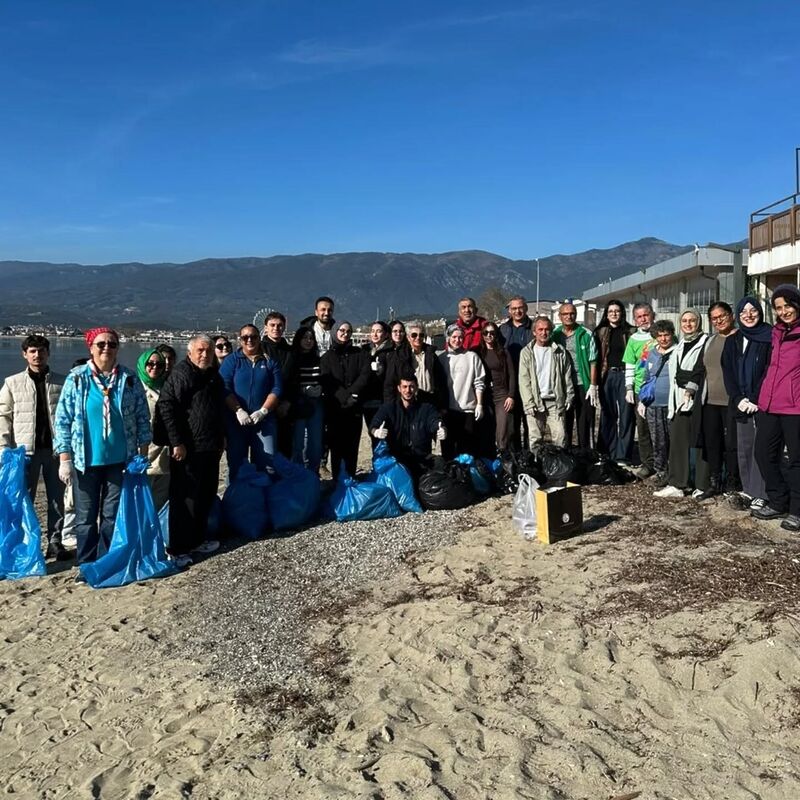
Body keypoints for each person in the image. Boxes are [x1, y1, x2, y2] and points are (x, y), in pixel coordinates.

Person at [54, 327, 151, 568]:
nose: (106, 348)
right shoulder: (77, 378)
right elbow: (63, 420)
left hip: (120, 460)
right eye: (101, 344)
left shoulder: (128, 379)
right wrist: (64, 458)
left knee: (111, 515)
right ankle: (86, 562)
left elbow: (142, 416)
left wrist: (143, 454)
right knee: (85, 518)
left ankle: (105, 560)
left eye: (112, 344)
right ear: (91, 347)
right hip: (86, 462)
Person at [153, 335, 224, 568]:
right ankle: (178, 547)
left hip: (210, 446)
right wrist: (176, 442)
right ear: (190, 353)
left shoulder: (212, 374)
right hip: (188, 447)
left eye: (209, 351)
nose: (205, 355)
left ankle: (197, 539)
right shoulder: (182, 373)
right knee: (184, 498)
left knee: (205, 494)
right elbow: (166, 405)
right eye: (200, 351)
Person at [0, 334, 69, 560]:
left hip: (55, 450)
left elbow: (70, 415)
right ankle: (26, 544)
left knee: (56, 499)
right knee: (23, 497)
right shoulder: (12, 383)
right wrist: (3, 446)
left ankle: (55, 542)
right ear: (25, 354)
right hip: (24, 451)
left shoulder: (62, 381)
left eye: (41, 351)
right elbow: (3, 415)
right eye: (32, 351)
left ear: (48, 353)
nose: (37, 355)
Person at [752, 284, 800, 531]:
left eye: (788, 305)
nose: (784, 311)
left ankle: (797, 510)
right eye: (779, 308)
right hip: (769, 405)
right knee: (763, 453)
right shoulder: (775, 333)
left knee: (796, 460)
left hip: (795, 407)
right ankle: (778, 499)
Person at [722, 296, 771, 511]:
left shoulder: (769, 337)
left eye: (753, 311)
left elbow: (769, 370)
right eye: (744, 312)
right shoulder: (733, 340)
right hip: (740, 403)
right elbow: (728, 372)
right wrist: (738, 398)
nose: (749, 315)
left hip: (762, 402)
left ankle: (761, 492)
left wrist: (755, 398)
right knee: (744, 446)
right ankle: (748, 489)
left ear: (760, 313)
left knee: (761, 449)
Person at [653, 310, 710, 499]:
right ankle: (677, 483)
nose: (688, 324)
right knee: (678, 441)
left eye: (692, 320)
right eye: (684, 321)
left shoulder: (706, 343)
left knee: (701, 442)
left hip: (699, 399)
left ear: (699, 322)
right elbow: (675, 376)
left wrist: (688, 382)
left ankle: (702, 484)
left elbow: (701, 370)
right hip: (678, 401)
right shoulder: (679, 346)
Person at [218, 324, 282, 481]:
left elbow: (277, 389)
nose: (249, 340)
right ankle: (235, 499)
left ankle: (265, 497)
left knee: (267, 463)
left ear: (259, 339)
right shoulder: (231, 361)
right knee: (236, 463)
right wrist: (238, 410)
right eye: (245, 337)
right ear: (240, 340)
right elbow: (224, 388)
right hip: (236, 422)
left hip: (264, 422)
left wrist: (263, 411)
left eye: (253, 337)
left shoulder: (269, 362)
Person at [694, 302, 740, 500]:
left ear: (731, 315)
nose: (719, 320)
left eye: (722, 316)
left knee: (732, 443)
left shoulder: (741, 338)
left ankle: (733, 481)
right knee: (712, 442)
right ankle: (715, 481)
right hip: (710, 399)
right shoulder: (710, 341)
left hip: (732, 400)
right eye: (714, 318)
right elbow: (701, 368)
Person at [370, 374, 446, 482]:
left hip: (421, 456)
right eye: (404, 387)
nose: (408, 390)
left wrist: (441, 429)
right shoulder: (389, 408)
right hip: (397, 459)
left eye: (411, 386)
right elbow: (375, 423)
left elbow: (434, 421)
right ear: (399, 388)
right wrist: (376, 431)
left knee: (440, 464)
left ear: (416, 388)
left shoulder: (426, 408)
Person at [320, 321, 370, 479]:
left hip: (354, 407)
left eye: (348, 331)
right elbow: (327, 381)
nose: (345, 333)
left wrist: (352, 393)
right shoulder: (327, 357)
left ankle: (351, 477)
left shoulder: (360, 354)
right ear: (335, 332)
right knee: (336, 446)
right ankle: (337, 479)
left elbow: (365, 374)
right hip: (335, 408)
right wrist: (344, 397)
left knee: (352, 445)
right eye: (341, 330)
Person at [518, 316, 574, 448]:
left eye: (547, 329)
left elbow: (567, 376)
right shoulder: (527, 352)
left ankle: (559, 466)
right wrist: (528, 403)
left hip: (555, 401)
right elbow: (524, 380)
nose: (544, 333)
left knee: (560, 437)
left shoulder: (559, 351)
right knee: (535, 438)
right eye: (540, 329)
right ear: (534, 332)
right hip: (535, 402)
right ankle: (536, 465)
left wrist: (569, 397)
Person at [552, 302, 599, 449]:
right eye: (565, 314)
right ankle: (566, 455)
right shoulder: (555, 335)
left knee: (584, 422)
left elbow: (593, 361)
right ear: (559, 316)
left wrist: (592, 385)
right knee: (565, 423)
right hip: (564, 385)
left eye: (571, 313)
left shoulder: (586, 334)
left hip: (582, 383)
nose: (568, 316)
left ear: (576, 315)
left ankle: (586, 454)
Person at [594, 299, 635, 463]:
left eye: (617, 311)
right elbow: (596, 358)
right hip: (607, 376)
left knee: (626, 415)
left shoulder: (631, 332)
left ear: (622, 313)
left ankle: (623, 454)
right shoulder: (600, 332)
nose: (614, 314)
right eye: (610, 311)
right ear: (606, 314)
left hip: (626, 375)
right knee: (607, 414)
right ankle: (606, 452)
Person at [636, 320, 676, 486]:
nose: (663, 339)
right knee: (657, 440)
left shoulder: (677, 351)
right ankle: (660, 472)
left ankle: (675, 472)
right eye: (660, 336)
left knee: (673, 439)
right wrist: (642, 400)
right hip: (653, 404)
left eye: (666, 335)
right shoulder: (651, 353)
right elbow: (646, 375)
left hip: (672, 404)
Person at [438, 324, 486, 458]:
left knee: (467, 451)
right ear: (448, 338)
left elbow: (479, 382)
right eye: (454, 337)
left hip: (467, 410)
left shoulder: (472, 357)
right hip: (448, 411)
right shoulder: (442, 359)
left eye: (460, 337)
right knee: (448, 450)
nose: (457, 340)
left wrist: (479, 404)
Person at [623, 303, 656, 474]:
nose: (643, 319)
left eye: (646, 315)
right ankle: (647, 463)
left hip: (659, 388)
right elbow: (630, 365)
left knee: (659, 429)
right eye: (639, 317)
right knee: (642, 429)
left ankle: (662, 463)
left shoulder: (662, 335)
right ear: (635, 321)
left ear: (652, 315)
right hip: (639, 390)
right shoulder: (633, 340)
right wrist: (629, 388)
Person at [383, 320, 446, 409]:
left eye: (421, 335)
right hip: (407, 403)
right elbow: (390, 384)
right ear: (408, 337)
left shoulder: (431, 355)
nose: (418, 338)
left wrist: (442, 405)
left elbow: (441, 381)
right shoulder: (399, 356)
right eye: (414, 335)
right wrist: (390, 408)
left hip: (430, 401)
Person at [136, 348, 170, 510]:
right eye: (150, 364)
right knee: (141, 500)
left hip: (165, 454)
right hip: (143, 453)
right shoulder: (134, 389)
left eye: (159, 364)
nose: (154, 367)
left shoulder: (168, 388)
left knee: (160, 500)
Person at [287, 325, 324, 474]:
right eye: (305, 338)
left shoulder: (319, 359)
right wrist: (302, 390)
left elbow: (325, 378)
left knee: (316, 441)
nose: (308, 341)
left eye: (311, 338)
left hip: (317, 402)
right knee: (298, 440)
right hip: (299, 403)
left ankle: (313, 472)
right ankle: (298, 472)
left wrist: (321, 388)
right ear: (298, 339)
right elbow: (288, 380)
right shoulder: (292, 358)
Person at [499, 295, 533, 449]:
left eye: (520, 308)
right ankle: (515, 458)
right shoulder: (503, 330)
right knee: (512, 425)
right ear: (509, 311)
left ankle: (530, 456)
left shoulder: (534, 328)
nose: (517, 311)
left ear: (525, 308)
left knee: (530, 424)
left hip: (530, 382)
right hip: (510, 384)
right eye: (514, 308)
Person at [477, 321, 516, 451]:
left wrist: (511, 395)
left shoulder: (503, 352)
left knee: (503, 428)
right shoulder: (477, 353)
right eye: (486, 333)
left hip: (502, 394)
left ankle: (503, 454)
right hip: (485, 395)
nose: (489, 336)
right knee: (486, 429)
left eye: (492, 333)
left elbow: (511, 374)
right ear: (482, 335)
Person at [261, 312, 294, 458]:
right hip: (264, 405)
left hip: (285, 406)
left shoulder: (290, 351)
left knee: (285, 447)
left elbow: (294, 379)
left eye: (280, 325)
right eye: (272, 325)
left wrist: (287, 402)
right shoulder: (259, 349)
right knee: (265, 450)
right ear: (265, 328)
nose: (276, 328)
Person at [361, 321, 394, 436]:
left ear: (386, 334)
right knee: (372, 432)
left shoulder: (390, 352)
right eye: (373, 331)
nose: (375, 334)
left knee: (383, 433)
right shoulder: (364, 350)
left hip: (382, 399)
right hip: (366, 399)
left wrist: (381, 371)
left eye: (379, 331)